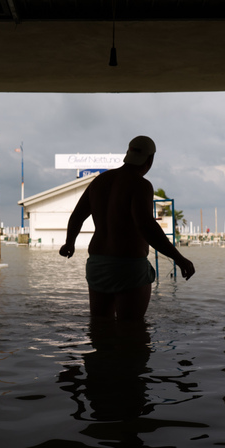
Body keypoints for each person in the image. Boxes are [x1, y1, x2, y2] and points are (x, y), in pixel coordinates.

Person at [59, 135, 195, 320]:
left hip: (98, 264)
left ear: (127, 154)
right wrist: (179, 258)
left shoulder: (99, 182)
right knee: (132, 333)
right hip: (128, 268)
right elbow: (145, 225)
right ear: (150, 159)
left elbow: (76, 217)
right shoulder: (140, 185)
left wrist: (69, 244)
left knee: (100, 330)